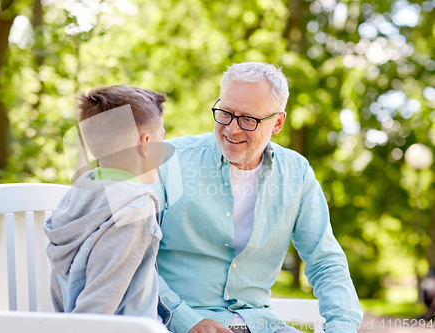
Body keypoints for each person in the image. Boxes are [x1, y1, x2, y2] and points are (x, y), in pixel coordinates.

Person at [152, 62, 363, 333]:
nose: (232, 129)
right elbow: (136, 257)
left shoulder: (296, 173)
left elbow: (325, 260)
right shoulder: (169, 161)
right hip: (177, 323)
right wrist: (186, 321)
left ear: (277, 122)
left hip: (261, 325)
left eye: (248, 120)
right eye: (225, 113)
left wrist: (342, 328)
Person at [44, 85, 170, 323]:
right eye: (162, 138)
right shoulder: (134, 207)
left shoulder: (80, 193)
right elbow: (96, 311)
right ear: (146, 144)